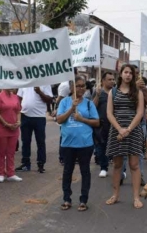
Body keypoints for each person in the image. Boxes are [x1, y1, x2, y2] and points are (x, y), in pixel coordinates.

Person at [105, 64, 145, 209]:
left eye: (131, 73)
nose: (128, 75)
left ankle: (136, 197)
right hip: (116, 131)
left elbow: (140, 113)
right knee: (117, 165)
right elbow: (109, 113)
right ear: (121, 74)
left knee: (134, 165)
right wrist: (119, 129)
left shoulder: (138, 92)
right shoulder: (113, 92)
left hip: (133, 131)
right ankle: (115, 195)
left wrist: (128, 129)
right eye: (126, 72)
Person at [57, 76, 99, 212]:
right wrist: (71, 108)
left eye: (82, 86)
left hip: (85, 144)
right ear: (71, 88)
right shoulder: (64, 102)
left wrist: (81, 119)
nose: (80, 88)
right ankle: (66, 199)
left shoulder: (88, 103)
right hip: (68, 144)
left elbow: (96, 122)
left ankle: (83, 200)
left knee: (85, 171)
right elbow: (59, 120)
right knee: (67, 171)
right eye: (78, 86)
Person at [16, 84, 53, 173]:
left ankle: (41, 164)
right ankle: (26, 164)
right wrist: (19, 109)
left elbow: (49, 100)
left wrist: (40, 92)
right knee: (25, 141)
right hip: (25, 115)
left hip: (39, 117)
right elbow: (19, 97)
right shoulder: (24, 82)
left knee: (40, 141)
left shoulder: (45, 82)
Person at [0, 89, 23, 183]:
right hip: (2, 128)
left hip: (13, 128)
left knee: (11, 151)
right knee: (1, 151)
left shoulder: (15, 97)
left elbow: (18, 111)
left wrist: (18, 121)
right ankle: (0, 173)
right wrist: (5, 124)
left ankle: (11, 173)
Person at [93, 71, 115, 178]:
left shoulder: (116, 92)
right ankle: (103, 168)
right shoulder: (98, 92)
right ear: (103, 81)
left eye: (113, 79)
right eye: (109, 79)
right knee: (101, 146)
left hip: (114, 124)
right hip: (101, 125)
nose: (112, 81)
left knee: (116, 146)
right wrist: (97, 95)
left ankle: (120, 169)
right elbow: (92, 107)